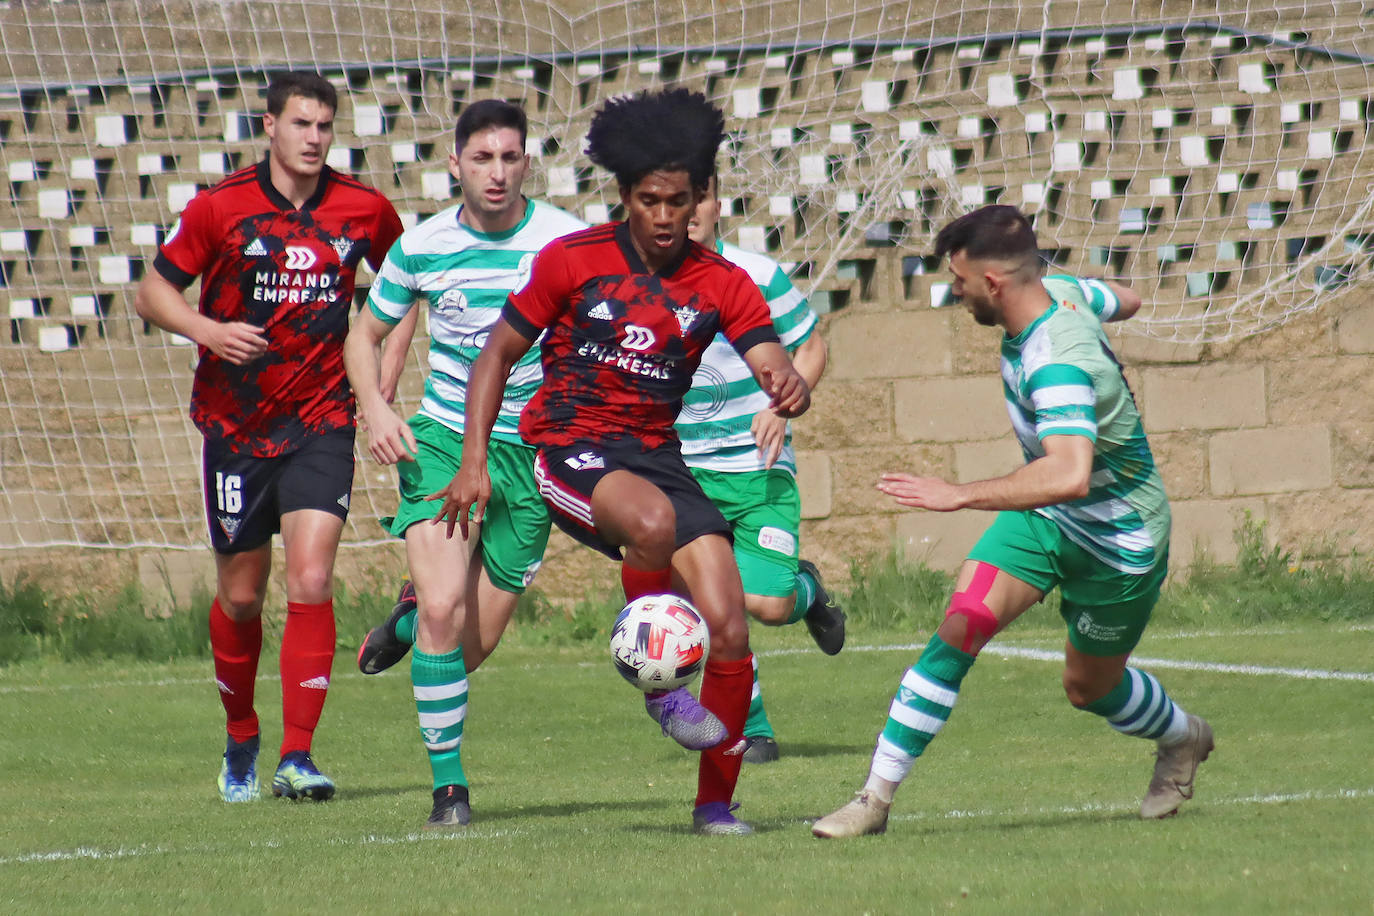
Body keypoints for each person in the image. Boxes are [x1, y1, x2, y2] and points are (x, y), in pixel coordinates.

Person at [433, 88, 811, 835]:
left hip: (655, 457)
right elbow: (495, 356)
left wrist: (786, 381)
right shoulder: (572, 260)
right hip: (567, 445)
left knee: (732, 627)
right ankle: (660, 683)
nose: (664, 217)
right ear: (625, 197)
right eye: (649, 200)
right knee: (654, 521)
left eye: (679, 200)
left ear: (701, 196)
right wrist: (475, 461)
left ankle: (714, 806)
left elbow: (768, 352)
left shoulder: (723, 284)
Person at [812, 205, 1213, 838]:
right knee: (963, 623)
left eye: (960, 280)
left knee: (1090, 689)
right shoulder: (1062, 291)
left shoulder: (1056, 365)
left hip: (1120, 541)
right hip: (1051, 521)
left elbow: (1069, 472)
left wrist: (959, 495)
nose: (957, 291)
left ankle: (1183, 736)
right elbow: (1129, 299)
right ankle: (874, 800)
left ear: (994, 284)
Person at [134, 71, 403, 803]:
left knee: (313, 577)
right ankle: (241, 736)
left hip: (322, 420)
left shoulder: (364, 209)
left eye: (324, 126)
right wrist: (206, 330)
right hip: (237, 426)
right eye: (301, 124)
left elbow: (406, 287)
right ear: (271, 126)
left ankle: (299, 755)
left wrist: (378, 385)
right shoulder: (222, 208)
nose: (314, 138)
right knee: (243, 595)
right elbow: (151, 291)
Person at [343, 99, 585, 830]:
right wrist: (377, 410)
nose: (497, 172)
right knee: (449, 607)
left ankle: (411, 625)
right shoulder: (422, 245)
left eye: (510, 157)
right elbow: (365, 335)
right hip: (447, 440)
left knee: (462, 648)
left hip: (533, 456)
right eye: (482, 158)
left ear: (528, 164)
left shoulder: (567, 243)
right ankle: (450, 791)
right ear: (455, 165)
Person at [678, 176, 842, 764]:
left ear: (717, 204)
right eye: (673, 198)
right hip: (682, 476)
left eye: (698, 197)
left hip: (758, 471)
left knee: (768, 606)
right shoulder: (640, 285)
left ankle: (807, 590)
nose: (687, 211)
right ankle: (753, 727)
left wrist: (781, 404)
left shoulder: (757, 275)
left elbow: (812, 347)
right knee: (706, 605)